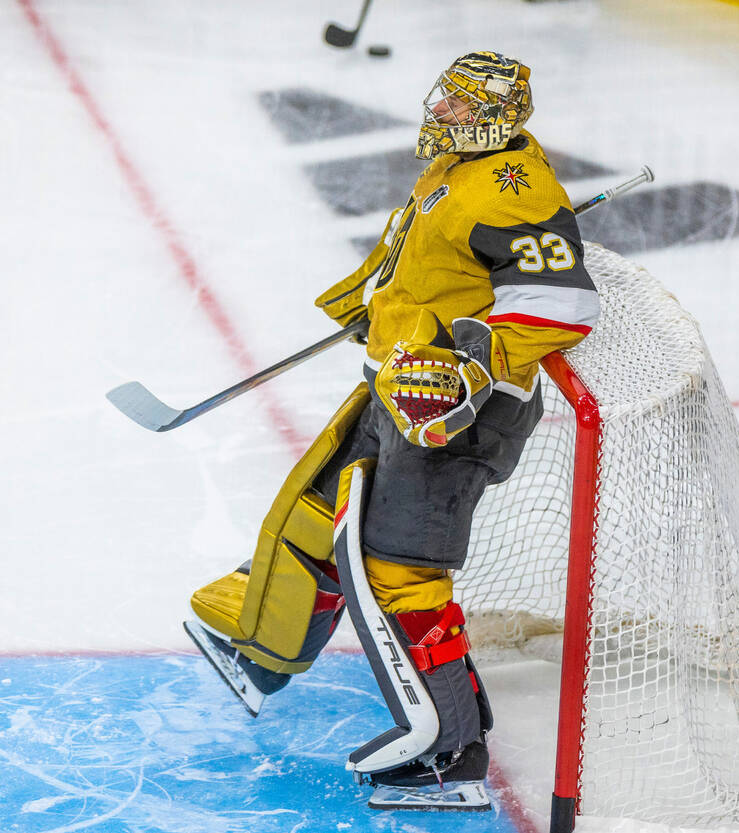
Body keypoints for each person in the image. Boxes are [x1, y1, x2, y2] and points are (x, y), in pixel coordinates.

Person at [184, 50, 599, 810]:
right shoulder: (453, 165)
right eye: (445, 98)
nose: (440, 112)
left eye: (460, 106)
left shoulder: (515, 191)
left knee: (401, 570)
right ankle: (261, 648)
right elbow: (426, 259)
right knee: (320, 516)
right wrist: (377, 303)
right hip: (403, 386)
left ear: (498, 117)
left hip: (453, 419)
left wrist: (475, 364)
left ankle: (451, 753)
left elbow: (565, 305)